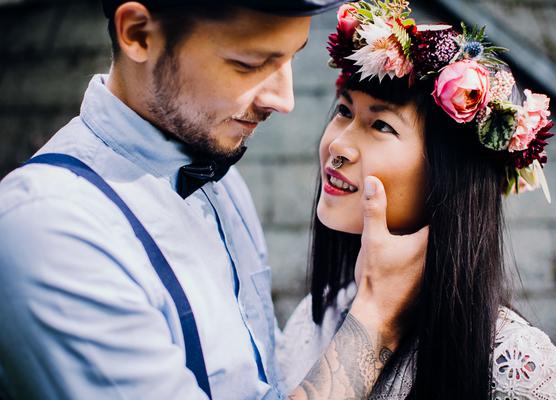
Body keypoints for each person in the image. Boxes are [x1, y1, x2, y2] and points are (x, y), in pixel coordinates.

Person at [0, 1, 429, 399]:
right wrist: (376, 316)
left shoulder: (224, 183)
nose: (285, 99)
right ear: (137, 34)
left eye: (291, 56)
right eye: (249, 64)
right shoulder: (47, 232)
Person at [278, 2, 556, 399]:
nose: (338, 144)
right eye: (344, 111)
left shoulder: (514, 366)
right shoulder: (315, 319)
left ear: (447, 173)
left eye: (380, 124)